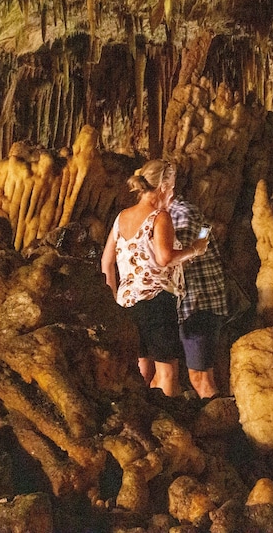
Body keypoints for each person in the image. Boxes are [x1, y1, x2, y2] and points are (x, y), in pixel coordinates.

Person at [101, 160, 207, 397]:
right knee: (167, 371)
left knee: (141, 370)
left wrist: (112, 300)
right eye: (171, 188)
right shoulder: (160, 217)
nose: (172, 193)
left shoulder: (121, 218)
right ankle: (169, 423)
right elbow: (164, 257)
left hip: (127, 303)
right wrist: (195, 249)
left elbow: (106, 262)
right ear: (163, 186)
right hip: (157, 301)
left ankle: (143, 416)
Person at [169, 194, 229, 400]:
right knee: (197, 375)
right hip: (197, 305)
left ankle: (222, 424)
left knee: (201, 378)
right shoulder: (184, 212)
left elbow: (179, 259)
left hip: (198, 304)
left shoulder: (182, 214)